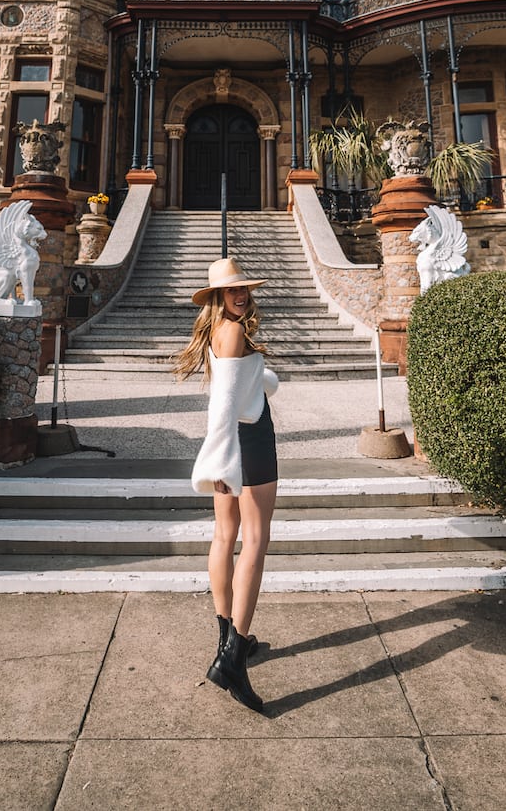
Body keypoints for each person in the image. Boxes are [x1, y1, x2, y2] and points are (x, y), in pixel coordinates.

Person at [172, 257, 279, 713]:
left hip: (232, 443)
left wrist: (263, 379)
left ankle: (227, 638)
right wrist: (219, 459)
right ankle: (233, 659)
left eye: (244, 288)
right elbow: (225, 408)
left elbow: (231, 388)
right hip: (246, 441)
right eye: (233, 290)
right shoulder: (234, 331)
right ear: (217, 296)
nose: (242, 294)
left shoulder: (221, 330)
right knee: (254, 539)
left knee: (225, 536)